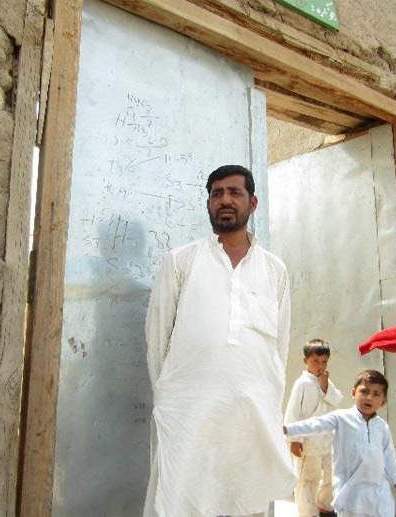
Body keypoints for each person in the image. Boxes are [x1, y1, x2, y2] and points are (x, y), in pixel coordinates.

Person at [144, 165, 296, 517]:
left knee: (248, 501)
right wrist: (168, 396)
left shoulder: (274, 270)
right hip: (190, 411)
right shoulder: (181, 261)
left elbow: (280, 344)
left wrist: (271, 399)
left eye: (234, 192)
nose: (224, 200)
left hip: (251, 414)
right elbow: (157, 337)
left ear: (253, 203)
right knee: (179, 499)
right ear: (208, 204)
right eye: (216, 194)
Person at [284, 370, 396, 517]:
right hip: (350, 492)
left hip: (378, 492)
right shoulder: (341, 418)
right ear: (353, 393)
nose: (369, 397)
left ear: (383, 400)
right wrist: (288, 429)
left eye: (376, 394)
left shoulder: (382, 427)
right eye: (364, 391)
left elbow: (389, 457)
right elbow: (315, 424)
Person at [284, 339, 344, 517]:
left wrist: (325, 385)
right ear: (306, 361)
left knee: (329, 476)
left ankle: (324, 505)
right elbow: (293, 412)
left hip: (326, 439)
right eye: (315, 361)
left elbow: (336, 400)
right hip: (308, 441)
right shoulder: (302, 384)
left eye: (324, 361)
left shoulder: (325, 380)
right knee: (307, 479)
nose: (320, 365)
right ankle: (307, 512)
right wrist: (294, 439)